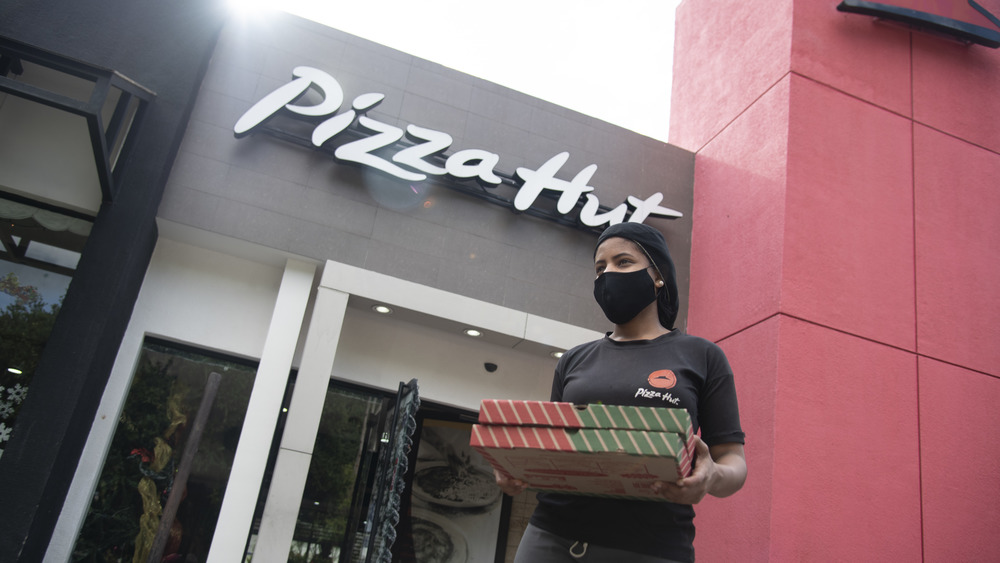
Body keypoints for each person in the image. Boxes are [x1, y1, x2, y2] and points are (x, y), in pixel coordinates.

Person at [495, 222, 747, 563]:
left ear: (658, 276)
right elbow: (554, 444)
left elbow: (733, 460)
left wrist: (712, 475)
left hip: (651, 547)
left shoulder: (702, 356)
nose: (608, 274)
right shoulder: (573, 359)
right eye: (600, 267)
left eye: (623, 262)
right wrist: (519, 468)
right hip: (551, 537)